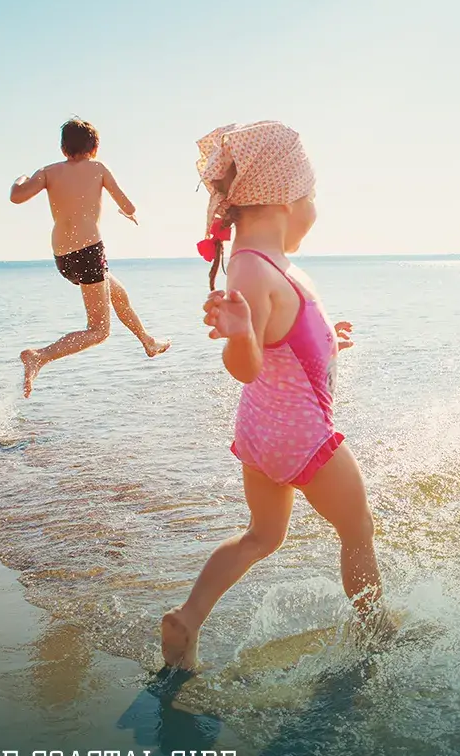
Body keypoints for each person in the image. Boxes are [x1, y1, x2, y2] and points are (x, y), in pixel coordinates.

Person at [161, 121, 389, 670]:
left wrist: (332, 340)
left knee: (262, 536)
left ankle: (187, 620)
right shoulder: (251, 268)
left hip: (262, 434)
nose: (315, 209)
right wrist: (239, 332)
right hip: (300, 436)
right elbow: (247, 365)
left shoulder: (265, 263)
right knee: (358, 528)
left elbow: (287, 342)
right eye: (313, 196)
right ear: (288, 198)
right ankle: (377, 635)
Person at [10, 118, 170, 397]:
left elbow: (17, 196)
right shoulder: (98, 168)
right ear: (95, 147)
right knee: (99, 331)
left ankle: (148, 341)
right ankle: (39, 356)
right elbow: (129, 205)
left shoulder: (47, 172)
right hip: (88, 251)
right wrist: (127, 213)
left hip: (63, 257)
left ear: (63, 148)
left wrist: (21, 177)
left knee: (118, 293)